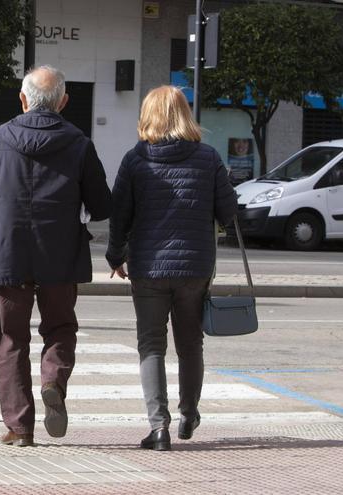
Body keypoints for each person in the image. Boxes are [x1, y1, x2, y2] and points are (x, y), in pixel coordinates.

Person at [0, 65, 111, 447]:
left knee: (10, 340)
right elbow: (101, 204)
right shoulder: (79, 143)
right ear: (63, 101)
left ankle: (20, 427)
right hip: (60, 256)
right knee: (60, 328)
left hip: (5, 255)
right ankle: (53, 381)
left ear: (23, 99)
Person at [107, 86, 238, 451]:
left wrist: (115, 256)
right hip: (195, 266)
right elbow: (229, 213)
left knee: (151, 345)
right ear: (185, 115)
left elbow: (120, 215)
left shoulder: (135, 160)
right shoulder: (208, 158)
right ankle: (188, 413)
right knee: (190, 344)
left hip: (147, 266)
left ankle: (159, 427)